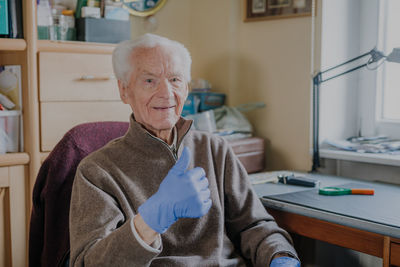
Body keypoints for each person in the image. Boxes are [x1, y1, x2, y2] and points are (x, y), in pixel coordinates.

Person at [69, 33, 300, 267]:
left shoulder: (215, 149)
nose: (166, 93)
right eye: (149, 81)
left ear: (187, 88)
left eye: (175, 79)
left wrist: (280, 256)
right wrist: (149, 221)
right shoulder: (96, 171)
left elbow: (254, 226)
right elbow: (88, 262)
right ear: (124, 90)